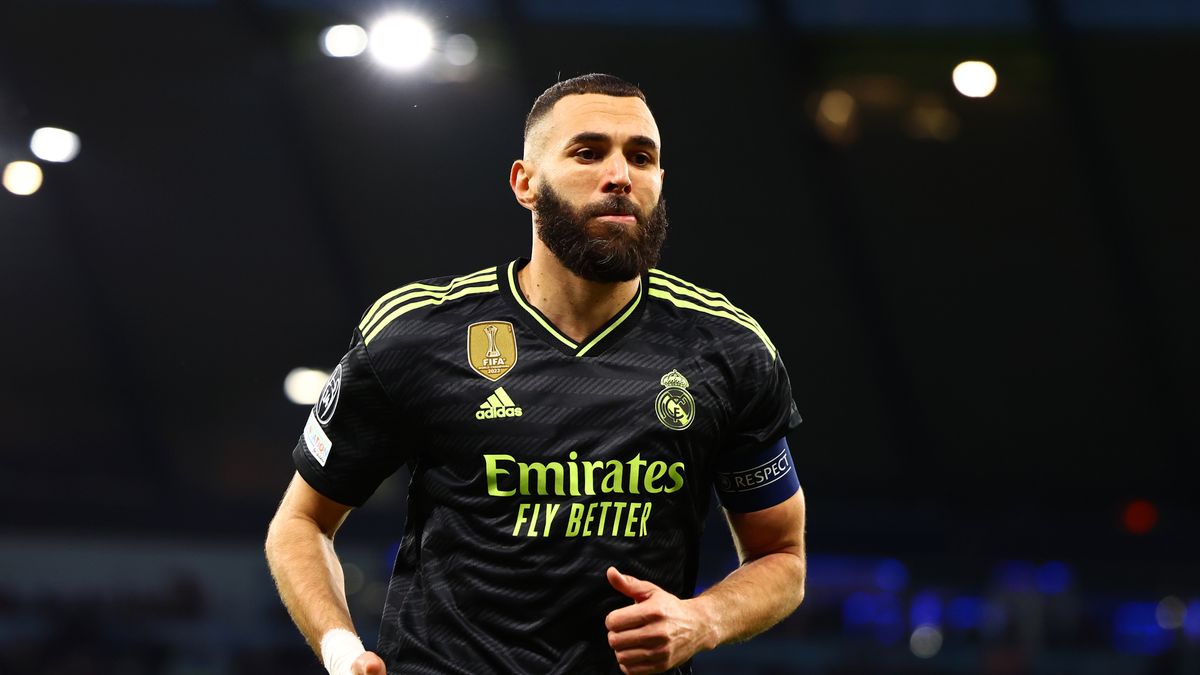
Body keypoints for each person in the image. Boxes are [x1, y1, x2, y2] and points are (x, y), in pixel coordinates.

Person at [265, 73, 807, 675]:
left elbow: (781, 555)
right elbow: (302, 521)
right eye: (588, 152)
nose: (620, 175)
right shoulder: (417, 334)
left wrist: (703, 620)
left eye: (642, 157)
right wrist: (341, 651)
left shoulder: (729, 350)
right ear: (525, 183)